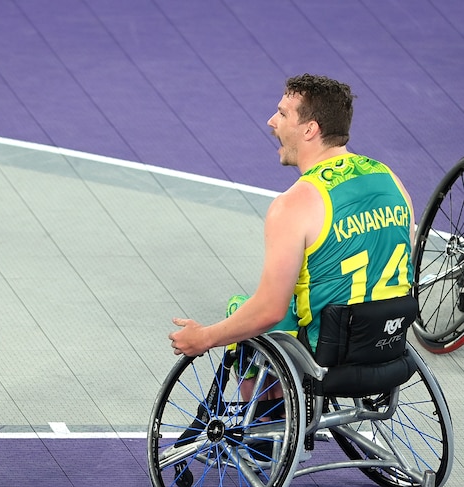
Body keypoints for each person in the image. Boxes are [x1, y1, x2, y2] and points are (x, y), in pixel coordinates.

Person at [169, 73, 414, 361]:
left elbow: (270, 310)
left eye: (283, 114)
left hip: (326, 350)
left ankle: (265, 408)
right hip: (389, 342)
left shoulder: (295, 203)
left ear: (310, 129)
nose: (272, 121)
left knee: (242, 308)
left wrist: (204, 337)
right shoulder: (392, 181)